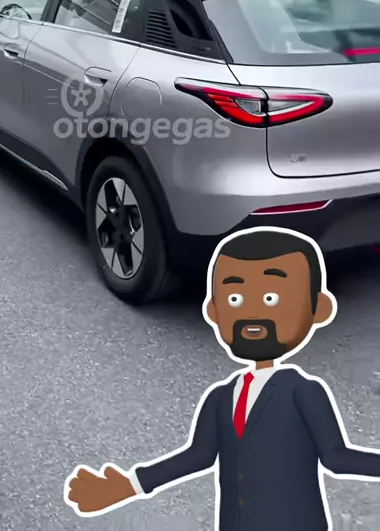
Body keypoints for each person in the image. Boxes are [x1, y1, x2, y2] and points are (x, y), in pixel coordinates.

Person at [64, 226, 380, 531]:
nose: (252, 313)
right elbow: (197, 456)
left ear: (319, 308)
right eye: (234, 299)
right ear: (214, 311)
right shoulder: (220, 397)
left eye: (271, 298)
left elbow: (337, 458)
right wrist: (130, 485)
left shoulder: (303, 392)